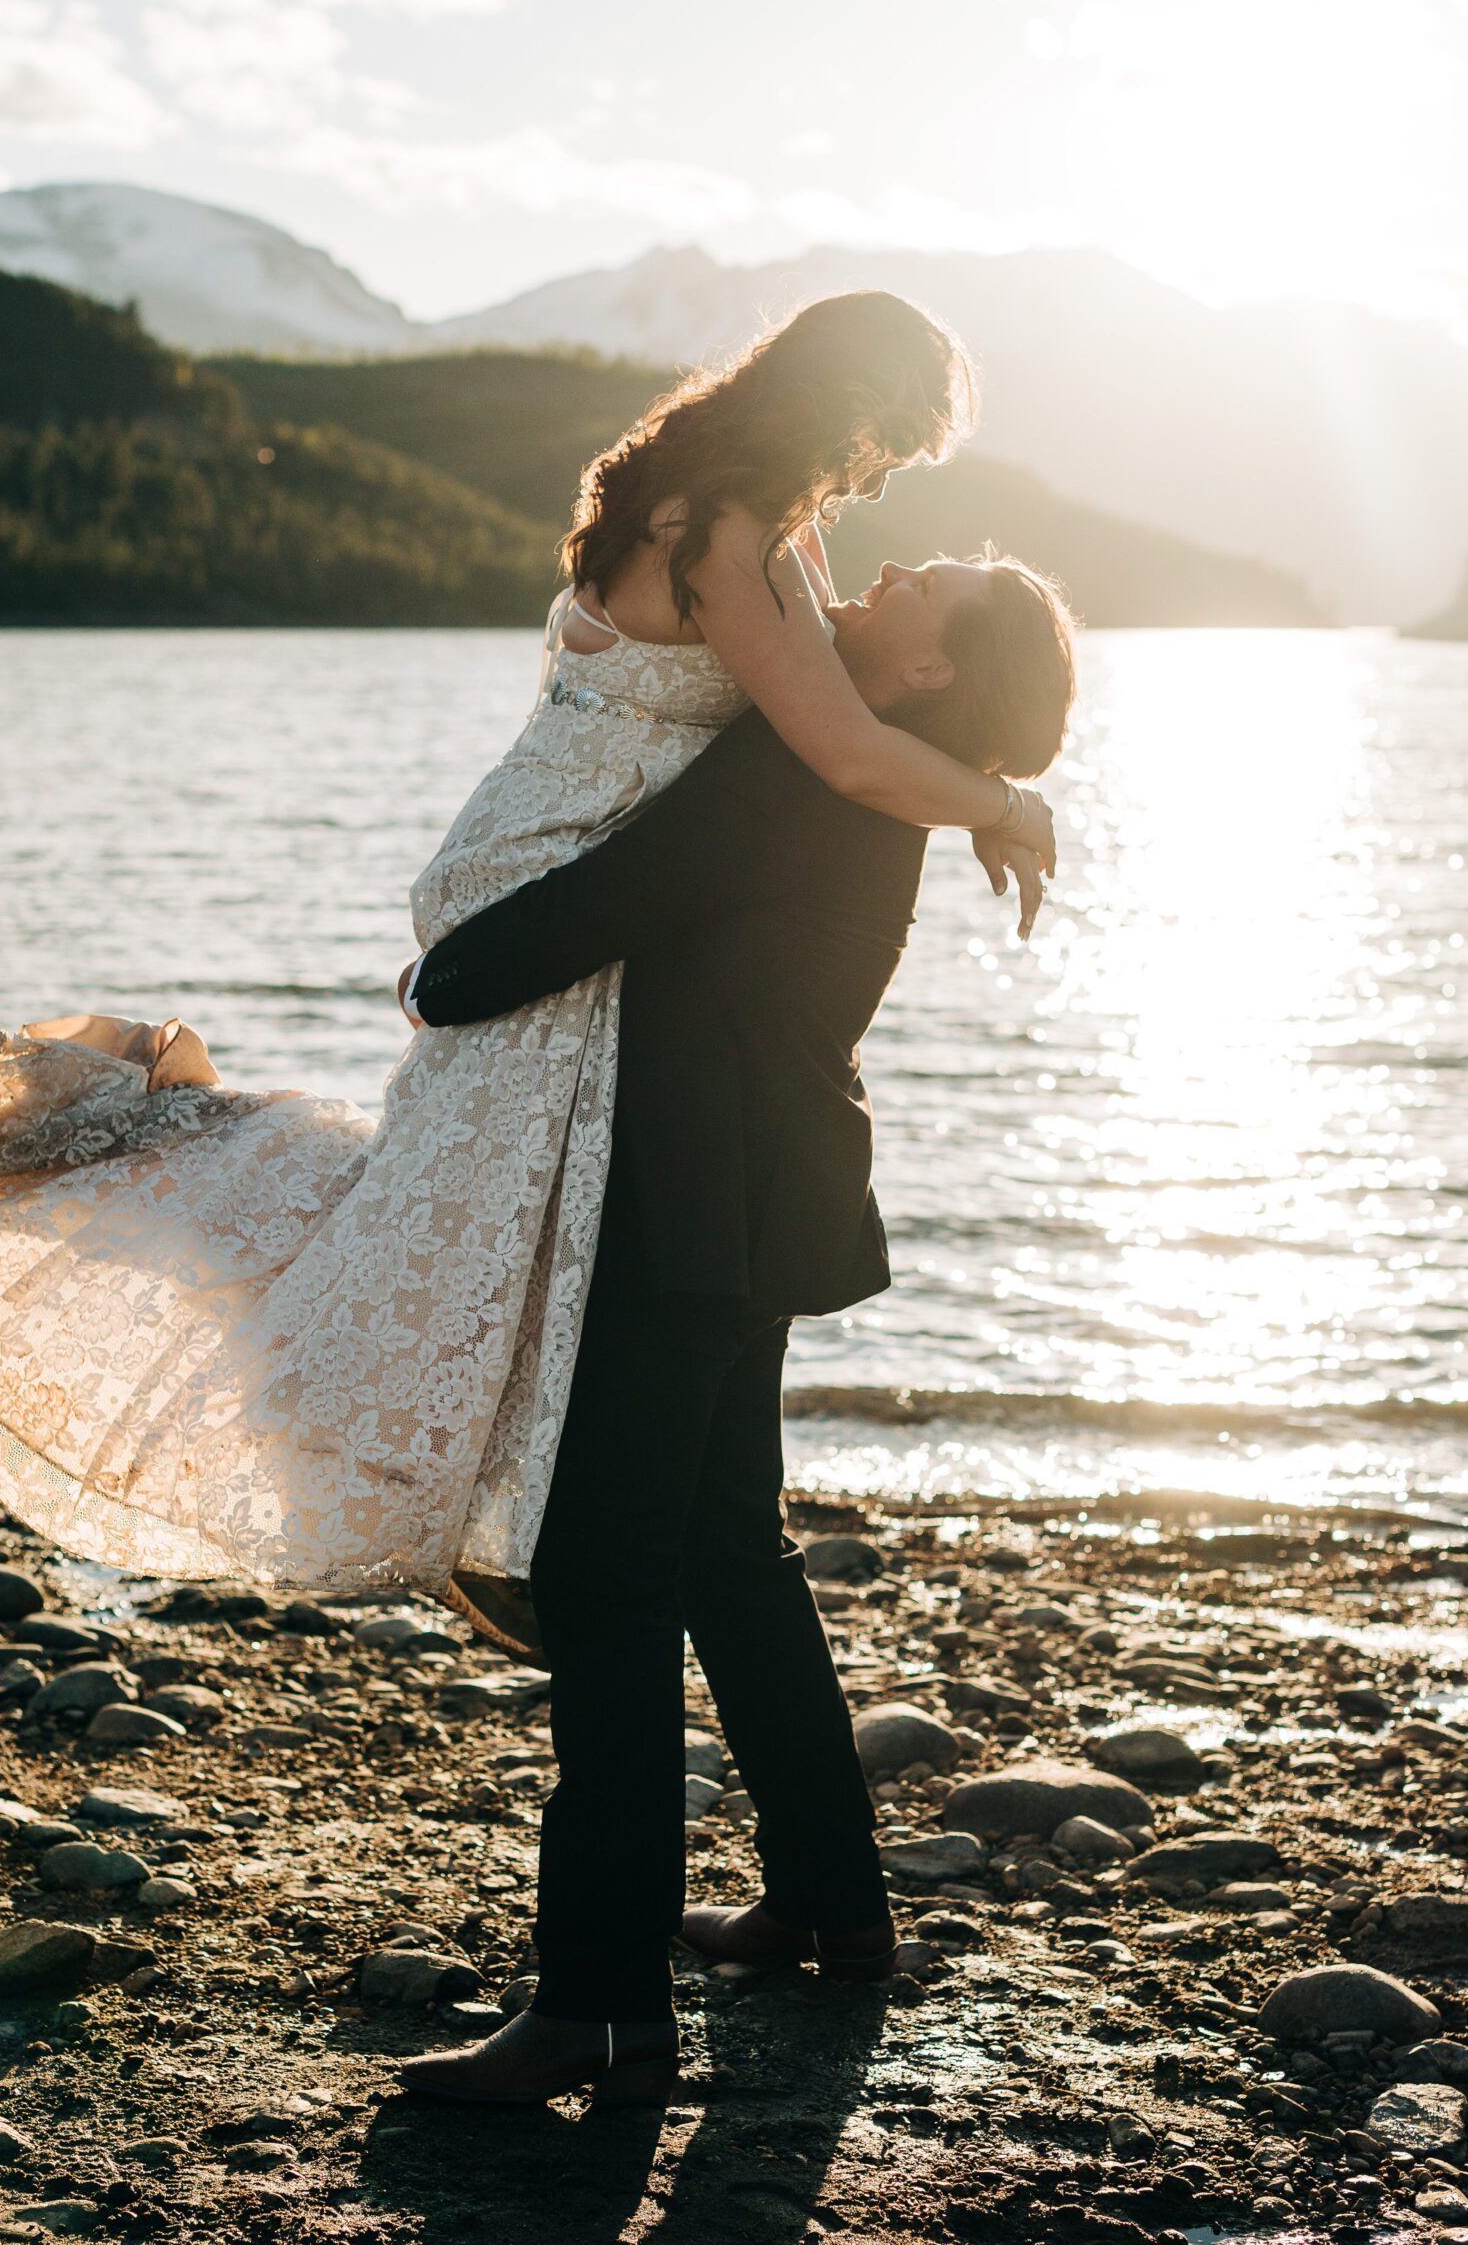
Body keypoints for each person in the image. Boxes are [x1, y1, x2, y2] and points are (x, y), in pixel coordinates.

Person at [0, 292, 1057, 1626]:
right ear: (832, 400)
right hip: (553, 876)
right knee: (452, 1225)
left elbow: (825, 732)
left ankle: (505, 1530)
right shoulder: (731, 530)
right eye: (880, 436)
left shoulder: (739, 512)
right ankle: (156, 1160)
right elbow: (833, 750)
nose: (880, 470)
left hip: (565, 864)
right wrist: (1003, 804)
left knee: (472, 1204)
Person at [392, 553, 1077, 2107]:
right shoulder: (884, 771)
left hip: (688, 1205)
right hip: (766, 1197)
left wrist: (446, 976)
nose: (891, 563)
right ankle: (835, 1906)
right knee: (723, 1557)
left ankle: (596, 2005)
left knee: (605, 1582)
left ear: (918, 675)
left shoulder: (805, 762)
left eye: (931, 581)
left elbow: (606, 903)